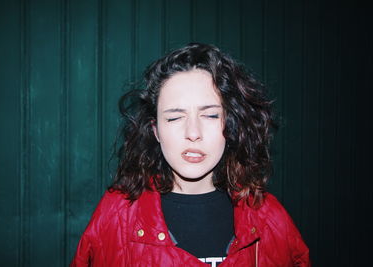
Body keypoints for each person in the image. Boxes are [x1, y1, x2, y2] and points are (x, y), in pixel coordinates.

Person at [70, 43, 310, 266]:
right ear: (156, 131)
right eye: (174, 117)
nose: (193, 133)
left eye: (211, 115)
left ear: (231, 124)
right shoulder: (116, 216)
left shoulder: (269, 218)